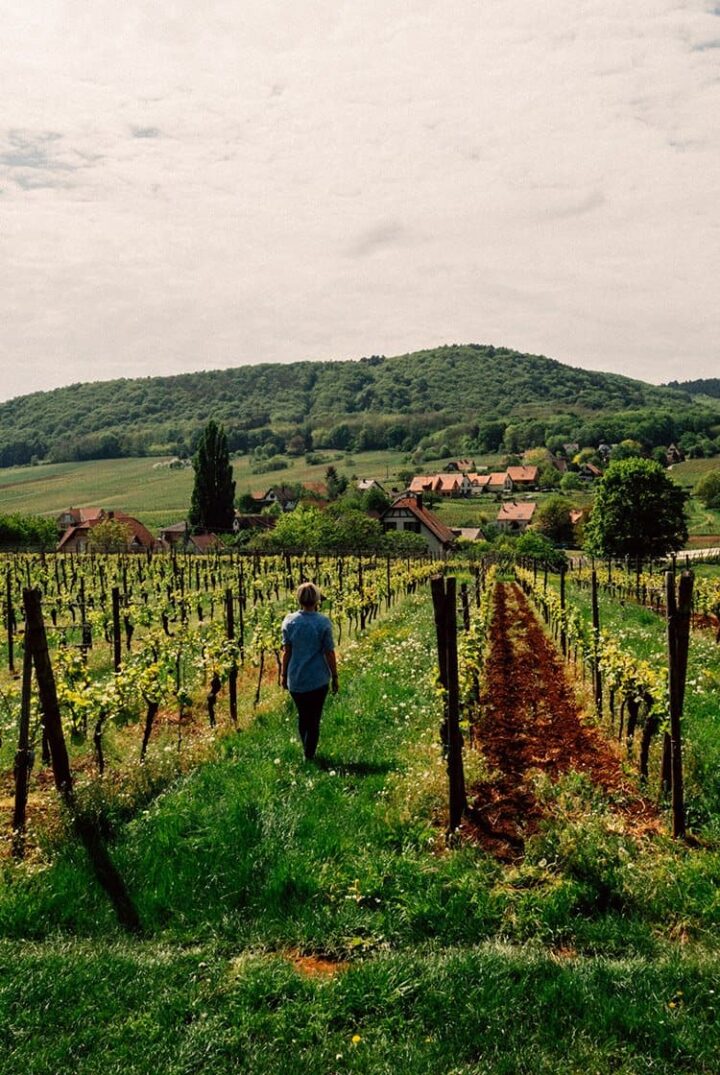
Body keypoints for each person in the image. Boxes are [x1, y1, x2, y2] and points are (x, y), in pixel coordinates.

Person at [281, 582, 338, 760]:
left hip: (296, 679)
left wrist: (283, 675)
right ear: (317, 600)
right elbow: (329, 652)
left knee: (303, 716)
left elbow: (287, 652)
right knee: (314, 718)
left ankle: (306, 750)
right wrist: (335, 676)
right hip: (318, 679)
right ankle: (309, 754)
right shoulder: (323, 622)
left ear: (299, 599)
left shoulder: (289, 621)